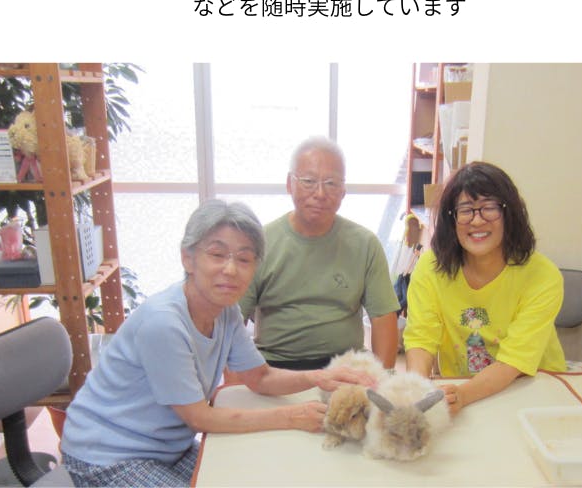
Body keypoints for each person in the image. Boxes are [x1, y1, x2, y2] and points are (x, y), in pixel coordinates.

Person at [60, 200, 375, 487]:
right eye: (217, 254)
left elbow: (260, 377)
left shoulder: (226, 312)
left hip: (168, 447)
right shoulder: (163, 323)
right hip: (107, 455)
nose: (231, 269)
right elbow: (199, 417)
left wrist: (318, 377)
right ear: (188, 258)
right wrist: (289, 417)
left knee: (250, 474)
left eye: (244, 258)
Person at [403, 161, 567, 417]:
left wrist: (463, 396)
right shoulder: (431, 267)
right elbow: (421, 339)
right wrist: (417, 389)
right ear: (451, 219)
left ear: (510, 214)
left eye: (489, 208)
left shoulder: (542, 276)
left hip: (531, 389)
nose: (477, 221)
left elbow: (514, 360)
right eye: (465, 210)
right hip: (462, 388)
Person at [239, 136, 400, 369]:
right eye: (309, 181)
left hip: (346, 367)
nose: (320, 193)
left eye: (331, 183)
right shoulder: (259, 243)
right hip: (276, 367)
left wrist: (382, 379)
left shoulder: (365, 244)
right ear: (289, 184)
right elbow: (232, 321)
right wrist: (237, 379)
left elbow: (383, 317)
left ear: (343, 190)